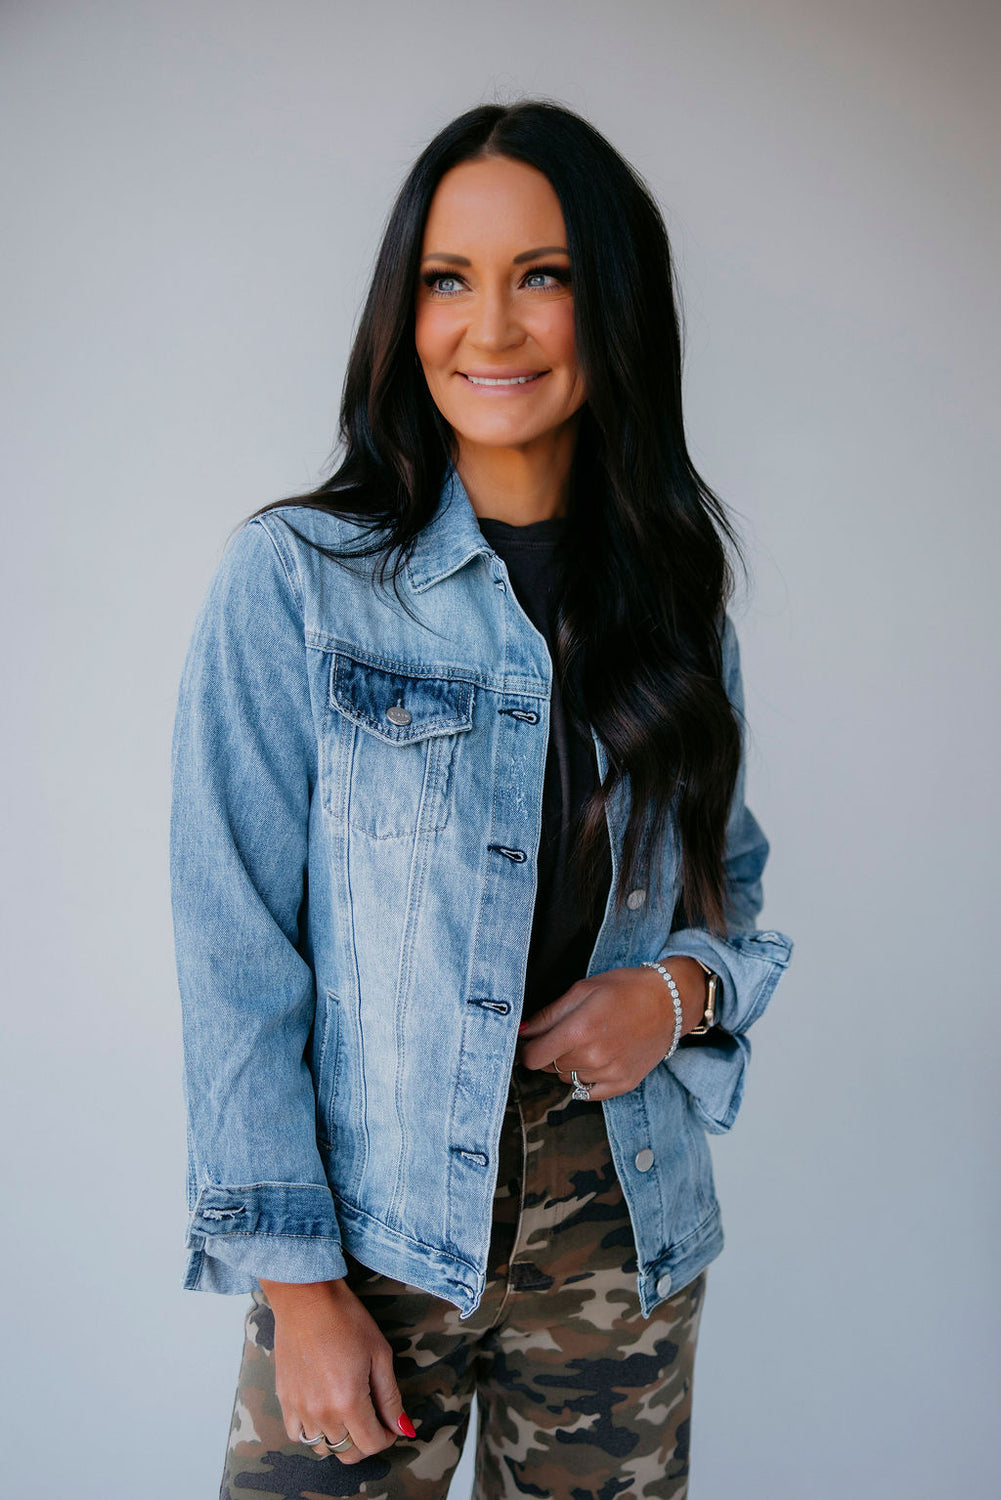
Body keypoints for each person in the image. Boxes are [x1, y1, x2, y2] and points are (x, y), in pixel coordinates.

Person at [170, 98, 793, 1500]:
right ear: (405, 314)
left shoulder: (673, 600)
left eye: (542, 276)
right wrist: (299, 1289)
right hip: (366, 1244)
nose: (490, 327)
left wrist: (675, 996)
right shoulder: (296, 580)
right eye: (449, 280)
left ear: (610, 304)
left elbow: (729, 886)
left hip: (621, 1228)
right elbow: (234, 950)